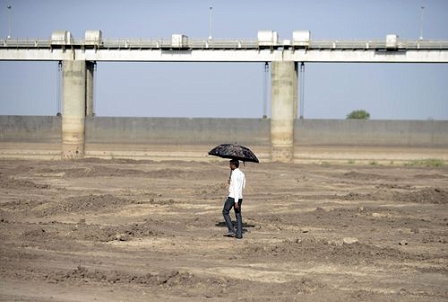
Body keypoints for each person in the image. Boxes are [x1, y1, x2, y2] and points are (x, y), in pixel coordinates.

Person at [222, 159, 246, 239]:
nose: (229, 166)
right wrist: (231, 182)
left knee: (225, 211)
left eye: (230, 164)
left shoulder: (234, 174)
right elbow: (243, 186)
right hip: (240, 197)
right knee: (238, 215)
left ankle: (231, 230)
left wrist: (235, 201)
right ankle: (239, 234)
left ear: (233, 165)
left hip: (233, 197)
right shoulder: (242, 174)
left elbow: (235, 188)